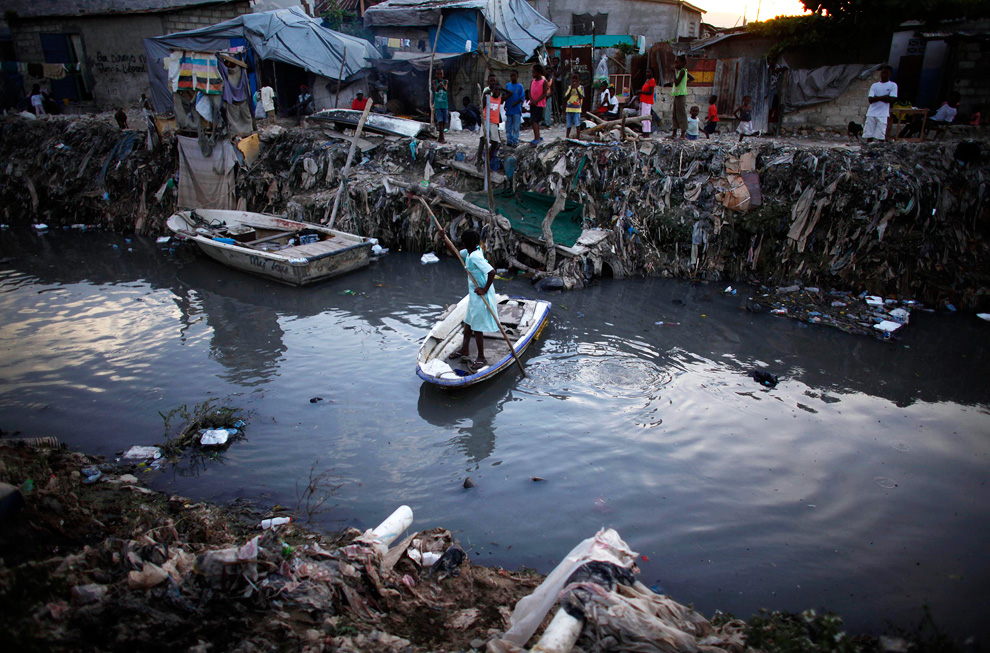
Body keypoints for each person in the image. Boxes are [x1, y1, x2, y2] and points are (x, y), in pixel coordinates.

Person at [448, 229, 498, 372]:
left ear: (465, 243)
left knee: (476, 326)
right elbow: (456, 253)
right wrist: (444, 238)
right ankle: (464, 349)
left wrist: (484, 289)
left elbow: (492, 272)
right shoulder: (470, 252)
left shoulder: (476, 256)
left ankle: (481, 357)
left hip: (481, 294)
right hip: (474, 293)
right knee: (469, 322)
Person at [864, 65, 897, 142]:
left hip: (883, 113)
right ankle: (868, 149)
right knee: (869, 134)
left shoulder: (893, 85)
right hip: (872, 113)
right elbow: (870, 100)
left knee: (881, 135)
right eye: (883, 73)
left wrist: (877, 97)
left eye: (886, 73)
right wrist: (884, 97)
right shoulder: (874, 85)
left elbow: (891, 99)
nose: (884, 75)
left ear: (890, 74)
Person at [477, 74, 503, 169]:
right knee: (482, 140)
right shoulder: (486, 92)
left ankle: (487, 159)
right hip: (486, 120)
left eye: (494, 81)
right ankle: (478, 161)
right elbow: (482, 105)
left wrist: (500, 88)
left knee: (495, 142)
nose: (492, 82)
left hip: (494, 121)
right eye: (491, 81)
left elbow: (508, 94)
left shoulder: (498, 98)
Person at [669, 56, 693, 139]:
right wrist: (685, 83)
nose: (675, 64)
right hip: (677, 95)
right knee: (675, 114)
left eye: (677, 62)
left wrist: (673, 73)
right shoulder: (682, 71)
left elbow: (676, 83)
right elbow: (692, 78)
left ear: (683, 63)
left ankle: (683, 134)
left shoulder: (682, 71)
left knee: (681, 114)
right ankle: (674, 133)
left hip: (681, 95)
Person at [504, 69, 525, 147]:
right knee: (508, 126)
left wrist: (515, 103)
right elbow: (506, 96)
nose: (512, 77)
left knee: (516, 127)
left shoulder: (520, 86)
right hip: (509, 110)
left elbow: (522, 98)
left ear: (517, 76)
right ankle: (509, 140)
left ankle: (515, 140)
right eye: (511, 76)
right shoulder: (508, 85)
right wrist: (506, 105)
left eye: (514, 76)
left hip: (516, 110)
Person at [530, 65, 549, 145]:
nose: (532, 74)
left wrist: (536, 101)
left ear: (538, 73)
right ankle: (537, 136)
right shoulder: (532, 81)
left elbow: (544, 93)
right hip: (532, 104)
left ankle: (537, 138)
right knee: (533, 121)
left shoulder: (543, 82)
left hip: (539, 104)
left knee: (535, 121)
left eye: (534, 72)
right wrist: (531, 100)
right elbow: (530, 91)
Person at [564, 72, 584, 140]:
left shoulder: (581, 87)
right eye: (573, 79)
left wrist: (577, 89)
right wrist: (571, 89)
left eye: (576, 79)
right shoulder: (569, 87)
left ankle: (578, 138)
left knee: (577, 124)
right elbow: (566, 97)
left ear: (579, 80)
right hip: (569, 108)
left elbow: (581, 97)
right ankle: (567, 137)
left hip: (577, 109)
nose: (574, 81)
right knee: (569, 124)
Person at [432, 68, 449, 143]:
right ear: (436, 75)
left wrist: (442, 85)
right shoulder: (434, 82)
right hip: (438, 105)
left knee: (444, 121)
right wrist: (439, 86)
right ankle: (442, 137)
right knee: (440, 121)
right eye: (438, 74)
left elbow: (445, 89)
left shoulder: (445, 81)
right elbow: (436, 90)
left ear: (443, 74)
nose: (439, 75)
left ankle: (440, 136)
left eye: (440, 74)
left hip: (444, 105)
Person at [639, 68, 657, 135]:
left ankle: (647, 132)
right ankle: (644, 130)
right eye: (646, 72)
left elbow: (650, 92)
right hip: (644, 100)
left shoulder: (652, 81)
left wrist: (641, 92)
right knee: (643, 116)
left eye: (649, 72)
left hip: (647, 101)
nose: (647, 74)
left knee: (646, 117)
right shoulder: (647, 80)